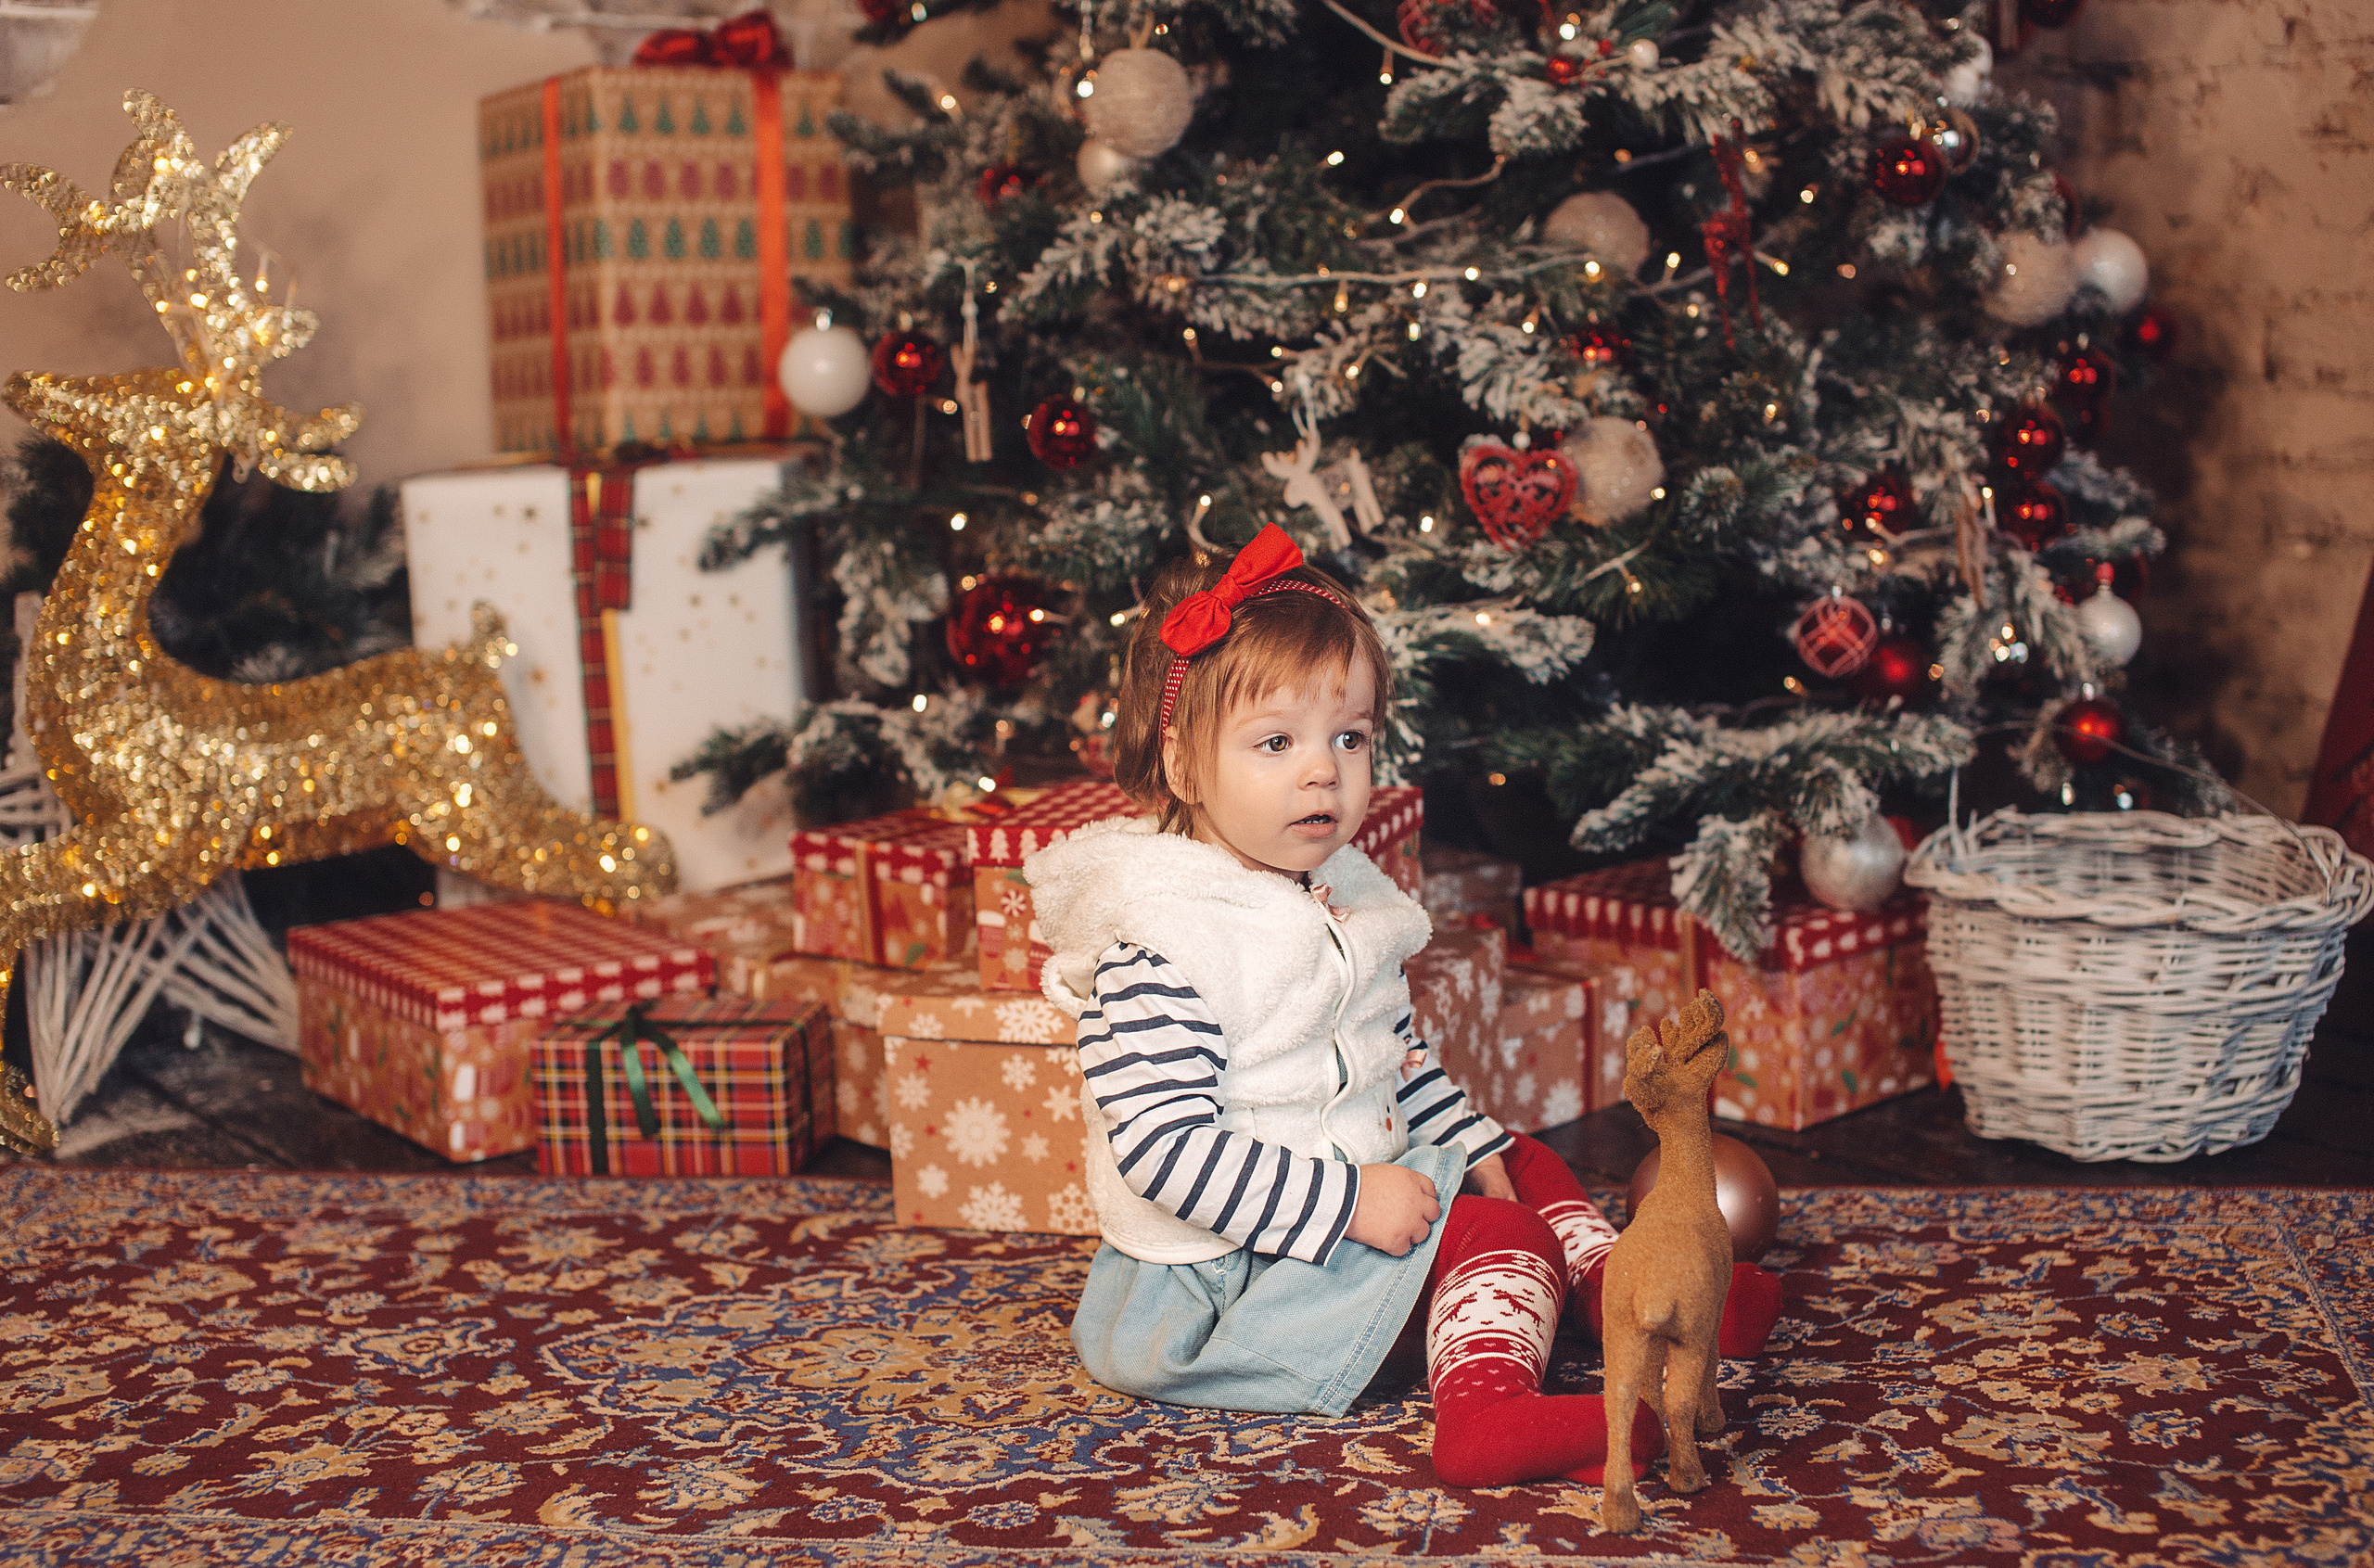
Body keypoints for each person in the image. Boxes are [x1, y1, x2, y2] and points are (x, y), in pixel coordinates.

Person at [1027, 524, 1783, 1487]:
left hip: (1341, 1208)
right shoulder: (1164, 943)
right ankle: (1487, 1414)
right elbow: (1164, 1150)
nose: (1322, 769)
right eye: (1276, 741)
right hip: (1230, 1281)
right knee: (1497, 1233)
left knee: (1516, 1158)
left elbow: (1394, 1061)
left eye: (1348, 736)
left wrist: (1468, 1144)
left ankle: (1620, 1296)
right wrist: (1348, 1203)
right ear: (1181, 766)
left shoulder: (1336, 893)